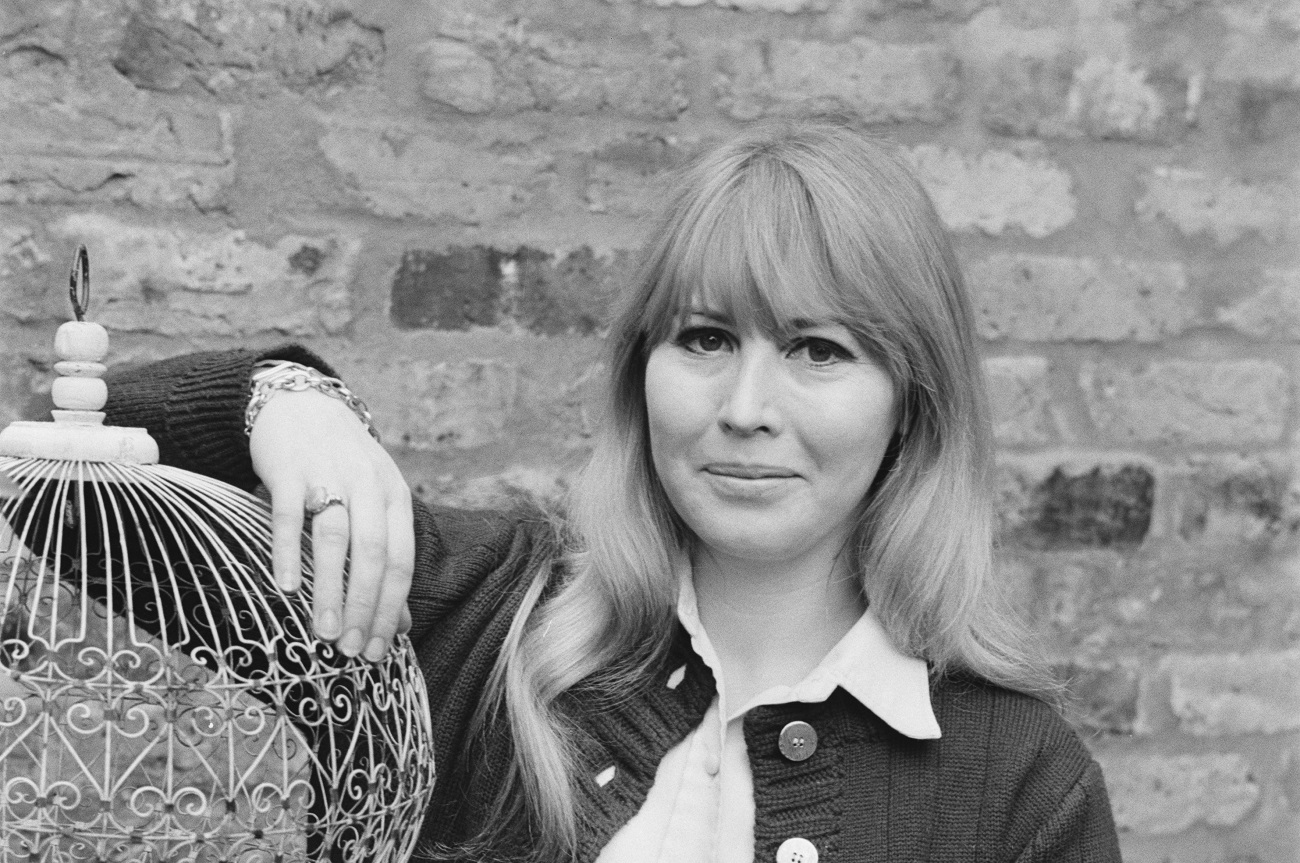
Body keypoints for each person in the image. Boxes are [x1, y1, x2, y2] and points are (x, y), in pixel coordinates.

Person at [102, 119, 1121, 862]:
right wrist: (280, 399)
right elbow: (64, 475)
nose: (744, 405)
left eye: (817, 348)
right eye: (706, 338)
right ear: (641, 370)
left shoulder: (1017, 778)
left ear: (912, 398)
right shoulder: (485, 622)